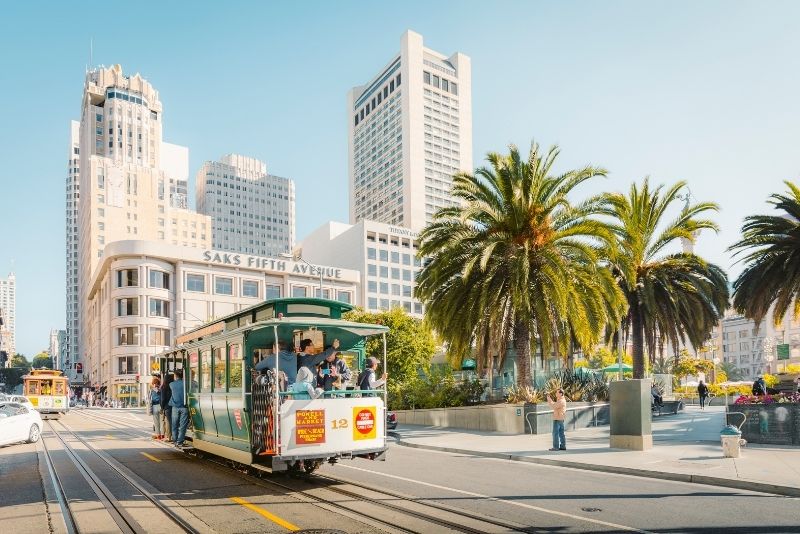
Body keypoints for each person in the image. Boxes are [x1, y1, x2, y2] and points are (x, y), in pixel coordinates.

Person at [169, 369, 189, 448]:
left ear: (175, 376)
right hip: (184, 407)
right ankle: (180, 442)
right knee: (183, 425)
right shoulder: (186, 384)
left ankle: (175, 440)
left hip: (175, 407)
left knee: (174, 425)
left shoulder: (171, 384)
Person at [160, 372, 173, 442]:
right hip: (173, 405)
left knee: (168, 421)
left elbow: (163, 399)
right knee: (173, 421)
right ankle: (173, 436)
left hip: (167, 406)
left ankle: (168, 437)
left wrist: (162, 407)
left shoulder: (163, 387)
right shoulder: (172, 386)